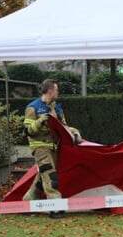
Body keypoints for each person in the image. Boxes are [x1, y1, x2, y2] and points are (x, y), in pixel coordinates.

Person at [22, 79, 81, 219]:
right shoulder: (33, 107)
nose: (58, 92)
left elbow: (64, 128)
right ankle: (55, 206)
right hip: (40, 147)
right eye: (56, 89)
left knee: (42, 177)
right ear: (50, 91)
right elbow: (28, 131)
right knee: (50, 176)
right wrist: (40, 121)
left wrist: (75, 132)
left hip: (54, 148)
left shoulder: (58, 108)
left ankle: (27, 202)